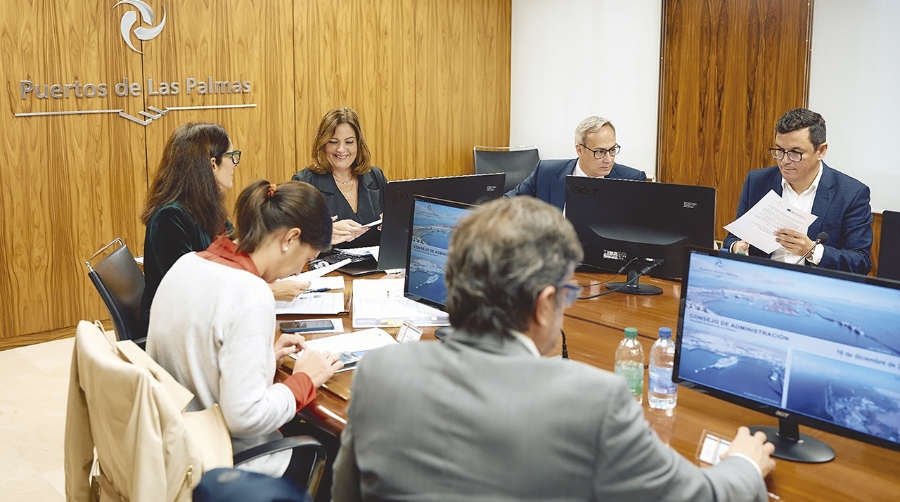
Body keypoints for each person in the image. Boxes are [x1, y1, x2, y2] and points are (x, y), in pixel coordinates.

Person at [332, 196, 775, 501]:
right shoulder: (593, 402)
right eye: (567, 292)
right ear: (545, 304)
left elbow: (345, 495)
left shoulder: (380, 372)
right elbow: (700, 497)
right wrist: (744, 464)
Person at [147, 180, 344, 482]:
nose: (297, 271)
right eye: (306, 259)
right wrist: (305, 380)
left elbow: (199, 353)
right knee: (341, 450)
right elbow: (245, 418)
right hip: (223, 463)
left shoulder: (187, 264)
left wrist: (264, 358)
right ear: (290, 238)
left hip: (175, 445)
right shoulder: (251, 294)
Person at [140, 123, 307, 338]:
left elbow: (240, 250)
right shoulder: (170, 217)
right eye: (233, 156)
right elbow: (189, 291)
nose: (235, 165)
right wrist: (267, 291)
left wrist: (285, 260)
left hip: (204, 322)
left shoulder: (206, 208)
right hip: (175, 333)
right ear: (213, 164)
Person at [723, 108, 873, 274]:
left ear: (821, 151)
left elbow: (860, 262)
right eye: (779, 150)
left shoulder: (851, 193)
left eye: (795, 153)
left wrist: (813, 251)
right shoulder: (757, 181)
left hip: (812, 284)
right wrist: (737, 247)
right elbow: (732, 238)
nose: (784, 161)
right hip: (761, 278)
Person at [505, 116, 647, 210]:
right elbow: (507, 204)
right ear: (579, 150)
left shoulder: (632, 180)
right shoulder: (546, 173)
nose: (609, 159)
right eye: (600, 152)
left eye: (612, 150)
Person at [292, 108, 386, 248]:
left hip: (375, 262)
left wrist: (394, 226)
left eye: (349, 142)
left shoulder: (376, 176)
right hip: (326, 262)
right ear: (323, 144)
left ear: (358, 144)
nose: (341, 149)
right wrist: (322, 234)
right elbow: (291, 242)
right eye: (333, 142)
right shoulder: (304, 183)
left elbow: (399, 229)